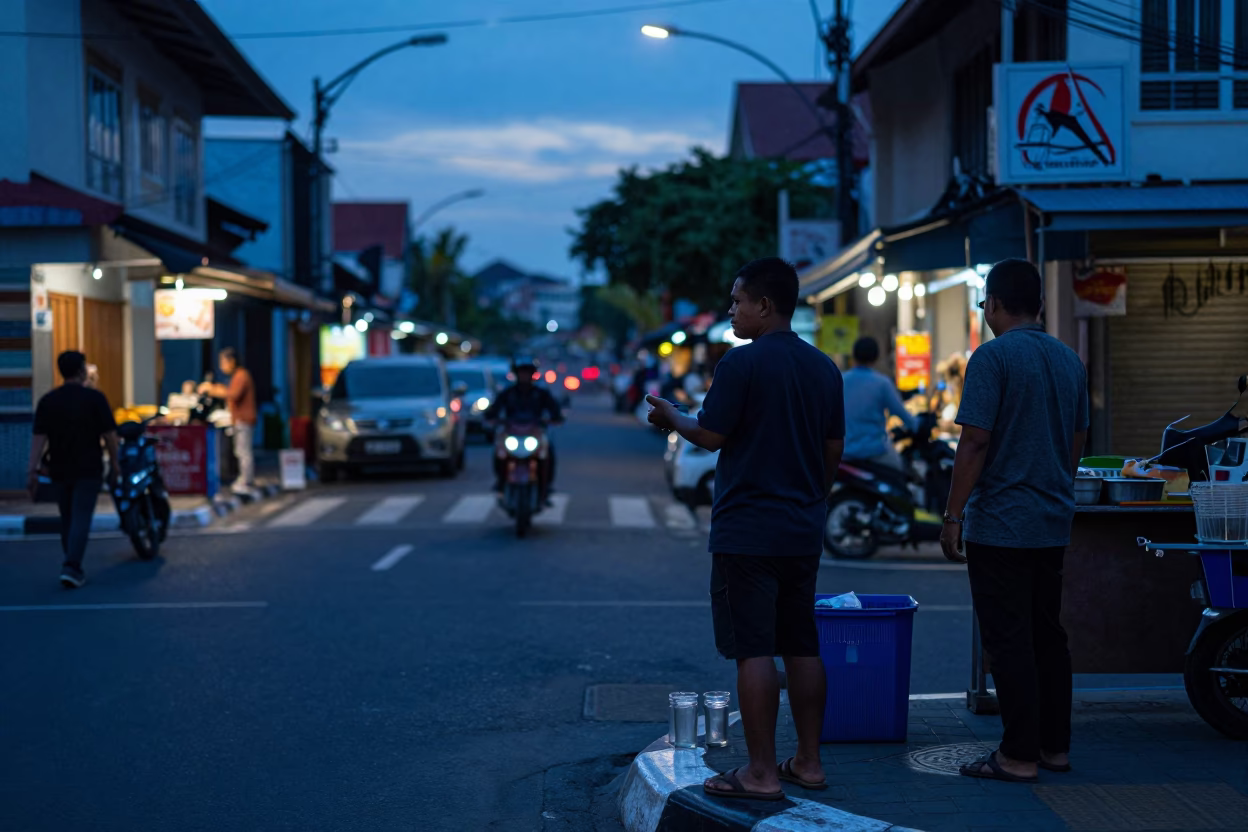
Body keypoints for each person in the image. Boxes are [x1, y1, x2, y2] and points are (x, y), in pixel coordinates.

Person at [647, 257, 845, 801]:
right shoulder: (824, 368)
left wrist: (670, 417)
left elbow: (709, 435)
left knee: (755, 649)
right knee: (802, 645)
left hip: (748, 529)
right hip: (802, 527)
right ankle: (808, 762)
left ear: (765, 304)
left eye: (737, 301)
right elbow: (833, 450)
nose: (732, 310)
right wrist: (813, 496)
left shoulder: (741, 364)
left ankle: (759, 772)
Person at [940, 258, 1088, 784]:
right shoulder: (1069, 359)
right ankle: (1055, 749)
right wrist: (1053, 482)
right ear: (1042, 306)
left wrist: (953, 515)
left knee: (1009, 639)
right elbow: (1076, 440)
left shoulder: (992, 358)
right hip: (1052, 520)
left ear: (995, 304)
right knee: (1049, 635)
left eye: (984, 305)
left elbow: (974, 441)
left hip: (1001, 522)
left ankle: (1017, 755)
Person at [27, 350, 119, 589]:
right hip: (88, 467)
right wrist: (116, 464)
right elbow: (110, 435)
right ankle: (72, 565)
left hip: (58, 468)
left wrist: (32, 470)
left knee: (67, 516)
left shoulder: (48, 401)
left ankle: (72, 562)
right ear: (81, 371)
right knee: (81, 516)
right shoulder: (95, 398)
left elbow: (39, 438)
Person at [483, 356, 564, 496]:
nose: (524, 376)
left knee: (548, 453)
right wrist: (491, 417)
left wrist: (555, 418)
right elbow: (493, 410)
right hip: (512, 433)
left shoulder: (541, 394)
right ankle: (501, 481)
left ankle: (546, 485)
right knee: (499, 452)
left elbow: (554, 410)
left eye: (527, 372)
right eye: (521, 372)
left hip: (534, 432)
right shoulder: (508, 393)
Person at [842, 336, 916, 470]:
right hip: (875, 452)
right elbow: (901, 413)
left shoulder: (841, 380)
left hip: (844, 453)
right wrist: (916, 424)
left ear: (853, 356)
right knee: (901, 475)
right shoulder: (882, 383)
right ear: (876, 357)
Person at [199, 347, 256, 495]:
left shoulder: (241, 375)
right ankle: (244, 479)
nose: (221, 366)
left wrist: (212, 390)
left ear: (232, 361)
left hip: (243, 419)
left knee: (243, 451)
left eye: (223, 362)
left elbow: (233, 394)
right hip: (239, 419)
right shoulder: (238, 375)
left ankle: (246, 480)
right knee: (240, 450)